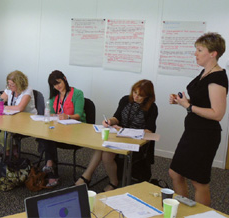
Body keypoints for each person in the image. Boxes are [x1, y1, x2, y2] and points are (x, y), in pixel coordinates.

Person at [169, 32, 228, 206]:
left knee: (199, 182)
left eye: (199, 50)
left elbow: (218, 114)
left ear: (213, 53)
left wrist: (188, 106)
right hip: (192, 132)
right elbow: (203, 101)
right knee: (175, 173)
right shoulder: (205, 72)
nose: (195, 53)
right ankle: (186, 209)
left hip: (205, 136)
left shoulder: (217, 78)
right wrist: (184, 101)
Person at [76, 79, 158, 191]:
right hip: (119, 136)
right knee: (102, 147)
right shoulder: (125, 100)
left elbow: (149, 131)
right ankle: (90, 176)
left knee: (106, 154)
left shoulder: (152, 108)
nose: (136, 97)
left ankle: (110, 182)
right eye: (134, 92)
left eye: (140, 95)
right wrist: (110, 121)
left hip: (136, 143)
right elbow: (117, 118)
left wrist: (125, 130)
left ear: (147, 96)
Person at [38, 70, 86, 187]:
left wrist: (68, 116)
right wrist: (52, 115)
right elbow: (53, 114)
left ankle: (51, 169)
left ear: (64, 78)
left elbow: (79, 115)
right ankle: (51, 167)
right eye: (54, 85)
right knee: (46, 136)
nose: (57, 87)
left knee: (47, 139)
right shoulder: (54, 97)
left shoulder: (77, 93)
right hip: (59, 128)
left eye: (58, 83)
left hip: (75, 128)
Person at [0, 70, 37, 155]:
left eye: (12, 85)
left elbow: (20, 108)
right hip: (12, 118)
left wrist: (2, 107)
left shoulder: (27, 90)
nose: (9, 86)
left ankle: (7, 153)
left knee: (4, 133)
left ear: (19, 84)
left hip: (27, 120)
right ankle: (9, 149)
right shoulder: (9, 89)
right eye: (8, 84)